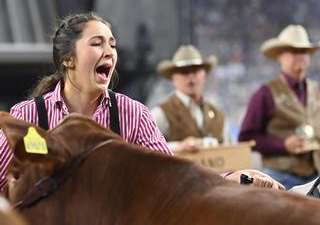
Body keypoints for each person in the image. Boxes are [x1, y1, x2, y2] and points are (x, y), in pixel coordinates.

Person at [0, 12, 283, 191]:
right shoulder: (27, 116)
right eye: (97, 43)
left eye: (112, 44)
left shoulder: (132, 114)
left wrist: (230, 178)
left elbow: (172, 176)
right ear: (68, 58)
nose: (110, 51)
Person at [238, 24, 320, 189]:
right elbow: (246, 137)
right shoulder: (265, 94)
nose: (300, 56)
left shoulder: (316, 90)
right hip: (281, 176)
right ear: (280, 56)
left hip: (315, 175)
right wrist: (283, 145)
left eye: (303, 52)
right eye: (293, 51)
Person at [151, 45, 226, 152]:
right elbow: (146, 149)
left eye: (195, 71)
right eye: (184, 71)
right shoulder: (160, 114)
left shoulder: (218, 115)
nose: (191, 76)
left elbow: (229, 149)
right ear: (173, 78)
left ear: (204, 75)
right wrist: (177, 147)